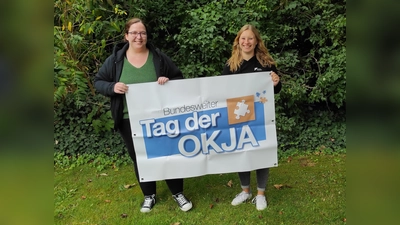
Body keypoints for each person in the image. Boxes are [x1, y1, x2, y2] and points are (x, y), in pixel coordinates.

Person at [94, 18, 192, 213]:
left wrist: (168, 81)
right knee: (139, 157)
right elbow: (99, 81)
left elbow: (178, 78)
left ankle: (177, 193)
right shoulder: (115, 60)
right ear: (126, 36)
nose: (139, 37)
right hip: (128, 119)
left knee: (167, 154)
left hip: (159, 118)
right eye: (135, 33)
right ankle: (149, 195)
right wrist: (112, 87)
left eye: (143, 33)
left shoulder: (158, 57)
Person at [221, 24, 282, 211]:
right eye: (243, 38)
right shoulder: (230, 66)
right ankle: (245, 191)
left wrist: (276, 82)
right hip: (237, 116)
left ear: (256, 41)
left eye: (250, 38)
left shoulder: (265, 64)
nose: (246, 42)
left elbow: (276, 90)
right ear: (238, 41)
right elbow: (221, 91)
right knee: (242, 152)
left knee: (261, 151)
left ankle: (260, 194)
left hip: (260, 116)